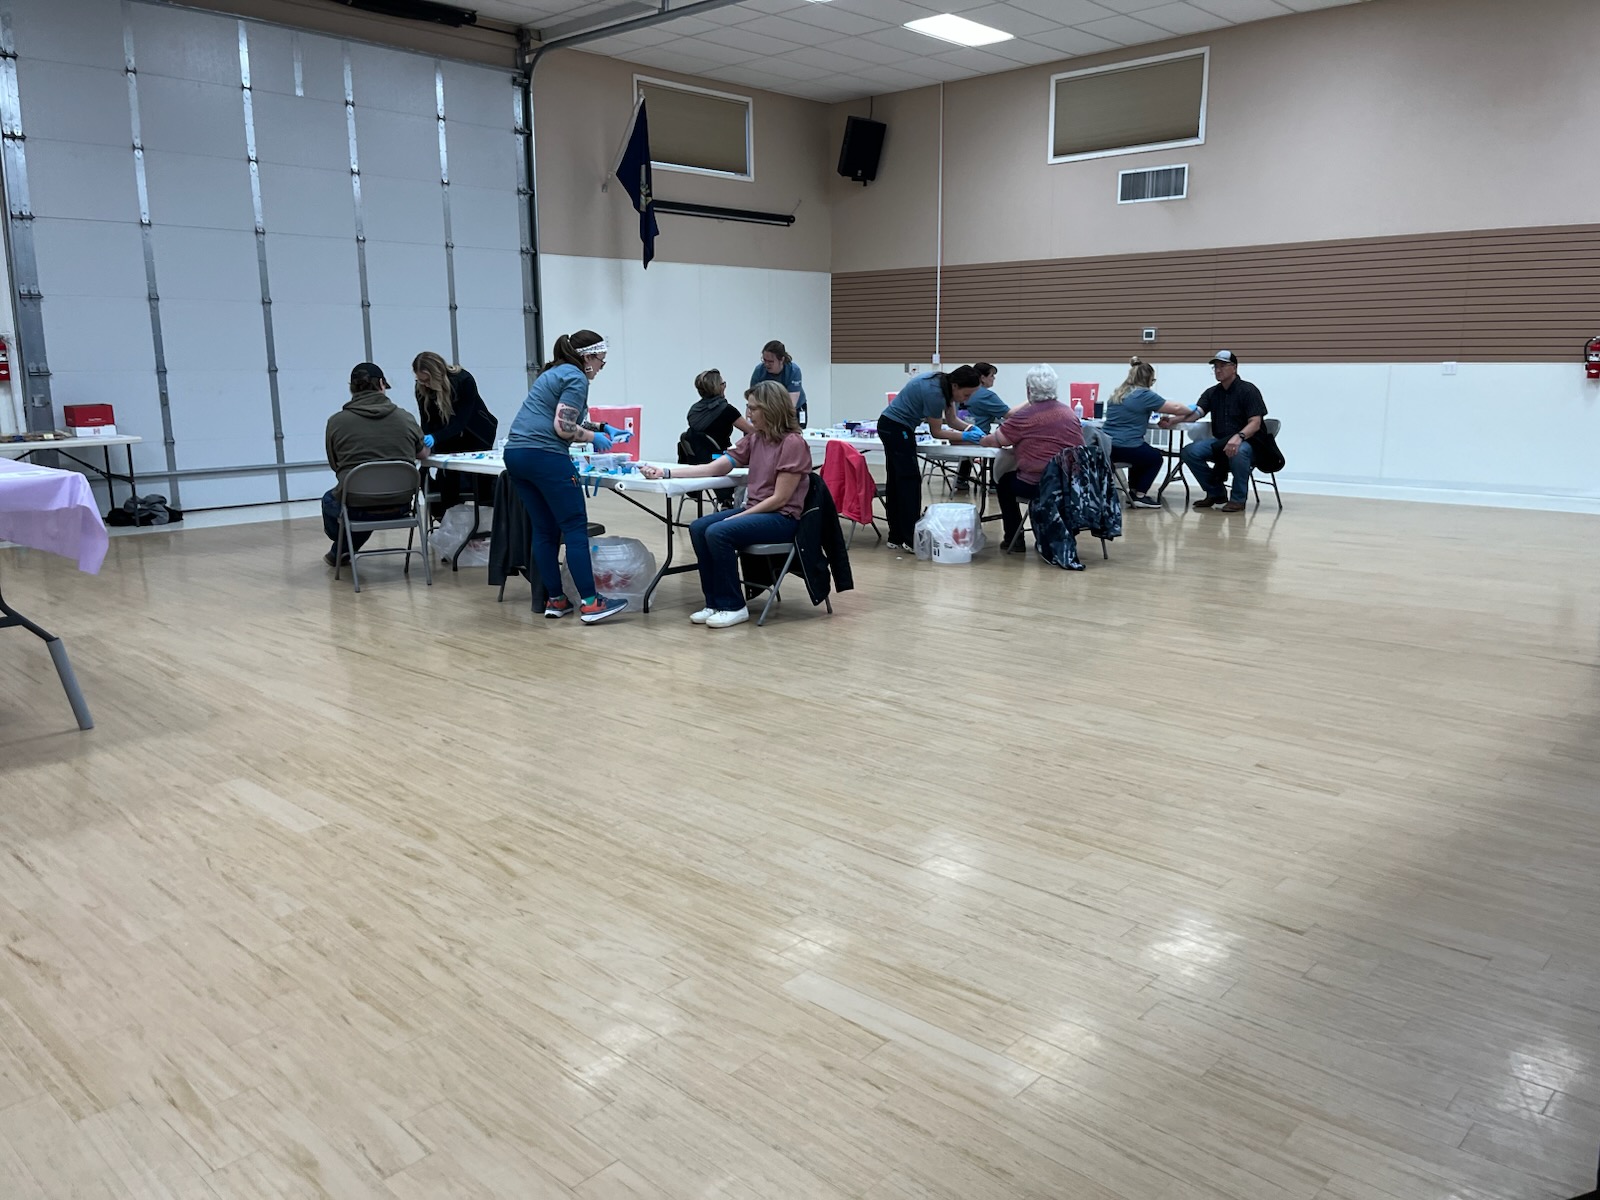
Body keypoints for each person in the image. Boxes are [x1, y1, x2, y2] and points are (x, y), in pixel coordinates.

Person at [638, 381, 811, 629]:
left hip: (782, 518)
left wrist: (739, 516)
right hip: (759, 511)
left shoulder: (792, 443)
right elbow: (716, 467)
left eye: (753, 408)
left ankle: (733, 605)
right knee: (698, 527)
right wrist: (666, 472)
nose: (748, 414)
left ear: (771, 409)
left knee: (719, 531)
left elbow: (780, 499)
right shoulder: (757, 438)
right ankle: (715, 601)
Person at [501, 329, 632, 623]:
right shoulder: (575, 377)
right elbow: (563, 427)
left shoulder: (554, 372)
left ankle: (556, 600)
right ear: (587, 357)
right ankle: (590, 602)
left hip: (517, 455)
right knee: (574, 527)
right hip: (545, 456)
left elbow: (557, 415)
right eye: (601, 360)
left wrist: (601, 428)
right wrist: (591, 438)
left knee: (545, 530)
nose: (601, 367)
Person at [322, 362, 427, 565]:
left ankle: (341, 549)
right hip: (401, 504)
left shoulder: (336, 422)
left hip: (358, 505)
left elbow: (336, 465)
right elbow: (423, 454)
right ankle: (340, 552)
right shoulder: (405, 418)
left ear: (352, 387)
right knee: (367, 498)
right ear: (381, 384)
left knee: (332, 500)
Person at [978, 364, 1083, 553]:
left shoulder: (1025, 416)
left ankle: (1014, 537)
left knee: (1004, 484)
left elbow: (997, 441)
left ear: (1029, 390)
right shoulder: (1070, 414)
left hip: (1037, 483)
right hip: (1068, 484)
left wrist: (979, 438)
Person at [877, 366, 982, 551]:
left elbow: (951, 421)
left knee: (897, 482)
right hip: (895, 427)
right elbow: (937, 432)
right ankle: (910, 540)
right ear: (956, 386)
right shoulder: (935, 393)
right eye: (966, 395)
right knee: (909, 482)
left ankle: (896, 536)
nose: (967, 399)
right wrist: (966, 437)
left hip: (894, 426)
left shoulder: (945, 385)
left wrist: (969, 429)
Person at [1172, 350, 1267, 512]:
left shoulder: (1248, 390)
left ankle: (1237, 499)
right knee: (1189, 452)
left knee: (1239, 451)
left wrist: (1239, 436)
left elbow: (1255, 422)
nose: (1218, 370)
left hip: (1247, 442)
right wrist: (1174, 420)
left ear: (1234, 368)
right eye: (1215, 366)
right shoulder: (1212, 393)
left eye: (1222, 366)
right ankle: (1216, 492)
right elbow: (1197, 413)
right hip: (1220, 442)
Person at [1103, 356, 1201, 509]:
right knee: (1155, 458)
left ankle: (1133, 492)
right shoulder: (1143, 394)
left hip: (1108, 446)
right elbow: (1176, 408)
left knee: (1142, 454)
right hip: (1126, 445)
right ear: (1148, 379)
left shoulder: (1118, 393)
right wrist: (1193, 408)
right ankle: (1140, 495)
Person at [412, 350, 498, 514]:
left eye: (427, 380)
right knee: (447, 478)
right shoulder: (422, 388)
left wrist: (435, 437)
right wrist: (425, 440)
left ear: (436, 374)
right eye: (420, 380)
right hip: (446, 433)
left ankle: (485, 524)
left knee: (481, 480)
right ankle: (448, 520)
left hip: (476, 432)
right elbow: (426, 420)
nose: (424, 384)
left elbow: (460, 422)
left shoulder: (464, 380)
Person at [681, 368, 753, 510]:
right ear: (718, 387)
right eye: (723, 383)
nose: (724, 386)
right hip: (719, 457)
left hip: (696, 460)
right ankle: (736, 504)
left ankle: (726, 500)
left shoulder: (693, 411)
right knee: (754, 464)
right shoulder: (727, 410)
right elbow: (752, 431)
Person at [954, 362, 1009, 494]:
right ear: (982, 378)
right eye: (992, 375)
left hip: (957, 437)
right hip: (978, 440)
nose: (993, 379)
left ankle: (962, 479)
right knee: (996, 442)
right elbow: (1007, 414)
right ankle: (994, 483)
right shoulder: (986, 395)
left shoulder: (959, 392)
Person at [750, 340, 807, 428]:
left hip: (792, 409)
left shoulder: (793, 371)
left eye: (771, 361)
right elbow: (752, 398)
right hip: (768, 409)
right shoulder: (759, 371)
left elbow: (791, 404)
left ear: (782, 360)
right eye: (764, 360)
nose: (767, 364)